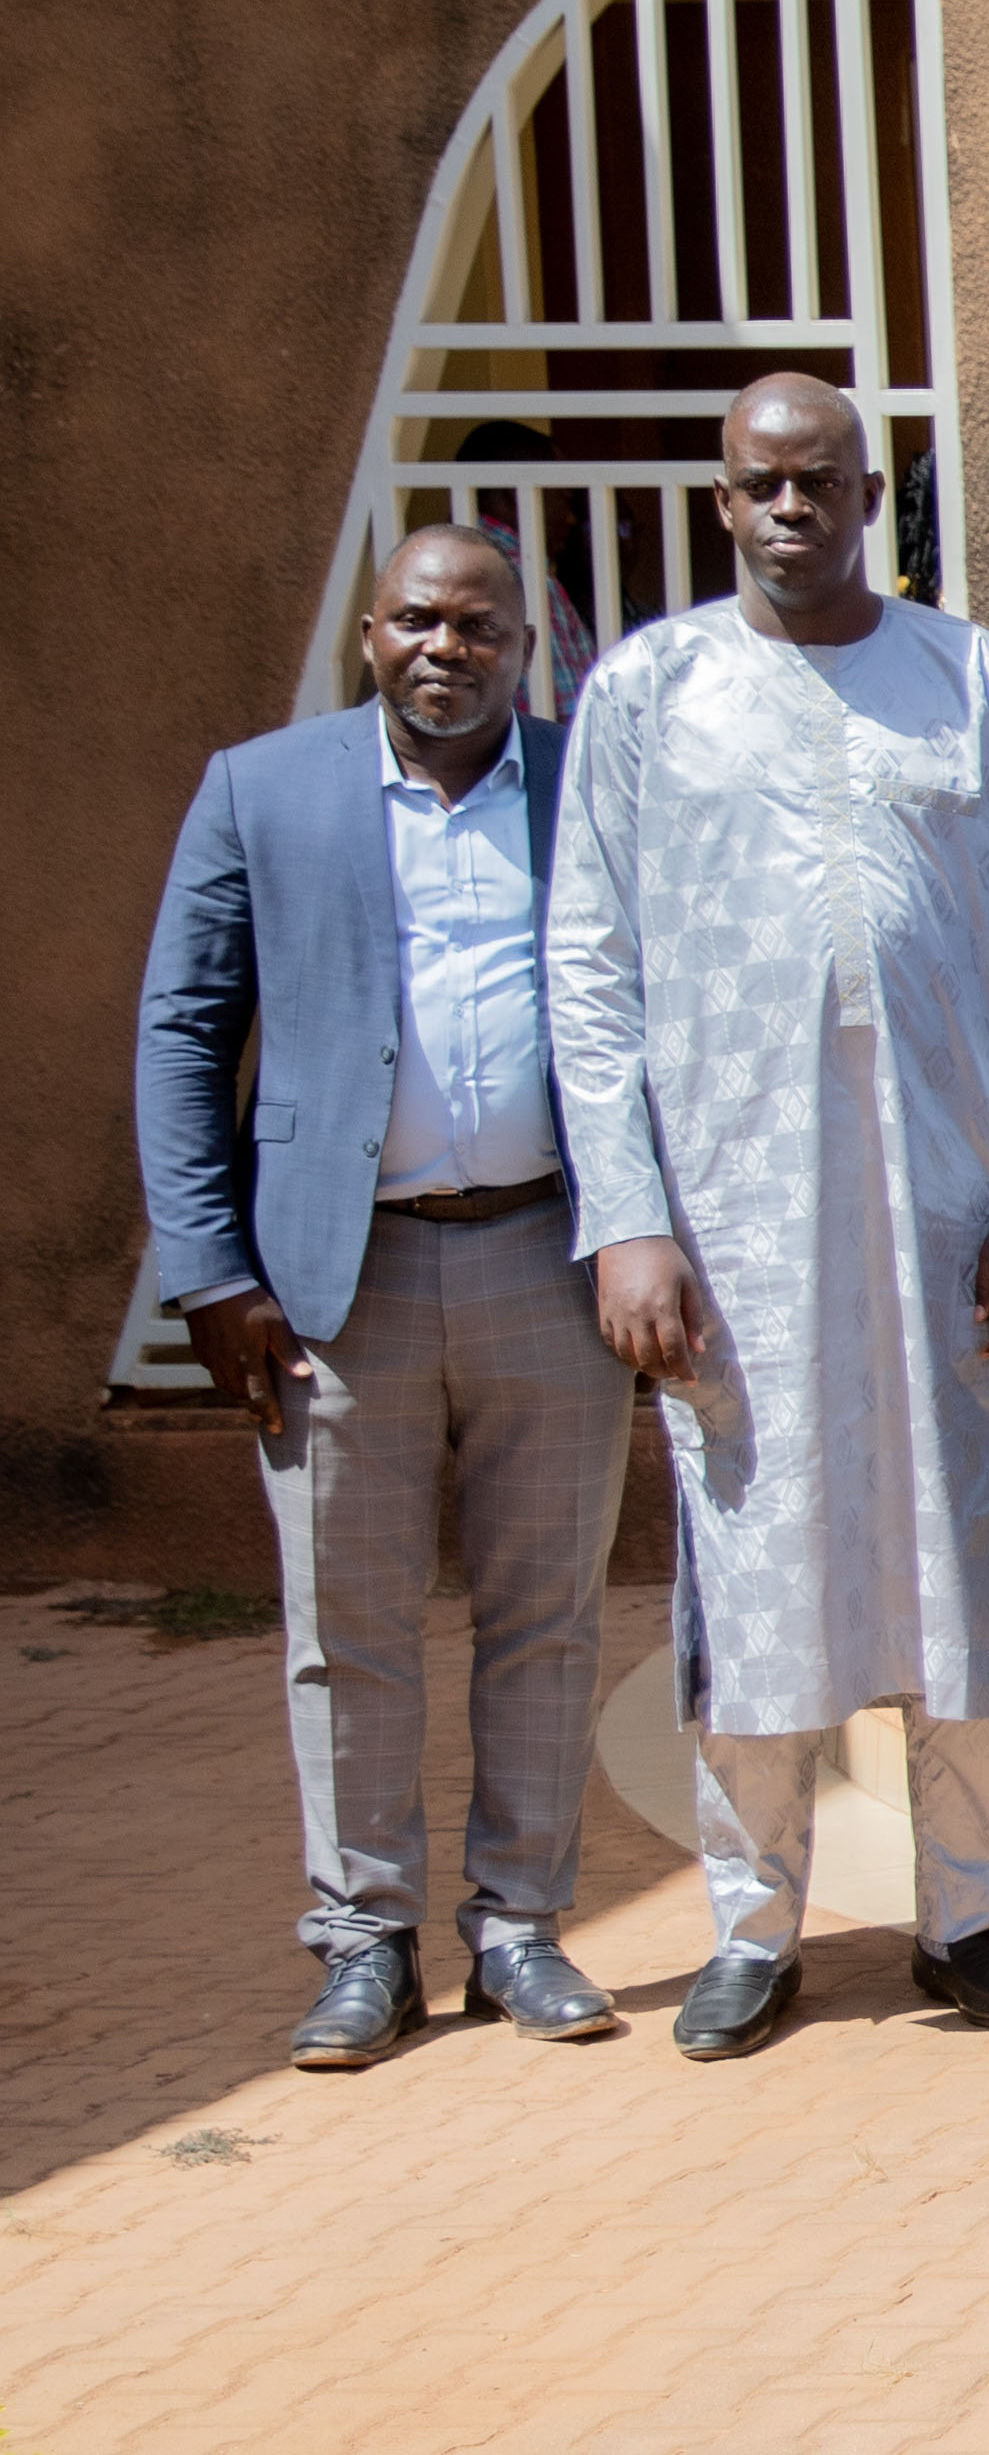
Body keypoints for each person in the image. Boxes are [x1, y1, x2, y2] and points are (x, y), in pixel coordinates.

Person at [544, 374, 989, 2060]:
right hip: (738, 1221)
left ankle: (971, 1915)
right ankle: (751, 1924)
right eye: (761, 484)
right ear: (722, 501)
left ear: (871, 495)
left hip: (948, 1210)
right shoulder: (649, 690)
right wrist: (628, 1219)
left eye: (822, 482)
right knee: (758, 1562)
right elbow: (590, 971)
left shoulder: (971, 679)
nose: (792, 508)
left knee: (966, 1562)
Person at [143, 524, 639, 2068]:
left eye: (478, 626)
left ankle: (518, 1926)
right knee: (342, 1625)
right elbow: (182, 1029)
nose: (448, 647)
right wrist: (210, 1268)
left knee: (544, 1615)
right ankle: (363, 1938)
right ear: (372, 633)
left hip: (545, 1253)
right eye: (418, 620)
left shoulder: (586, 787)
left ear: (521, 644)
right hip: (328, 1279)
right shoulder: (264, 788)